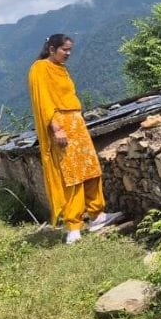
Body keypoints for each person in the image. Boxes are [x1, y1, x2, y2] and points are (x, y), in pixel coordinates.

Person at [28, 34, 121, 243]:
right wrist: (56, 128)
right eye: (64, 50)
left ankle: (97, 215)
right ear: (52, 49)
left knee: (90, 168)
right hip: (60, 124)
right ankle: (74, 226)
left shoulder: (61, 68)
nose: (68, 53)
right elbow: (44, 101)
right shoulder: (40, 68)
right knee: (72, 175)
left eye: (70, 50)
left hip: (76, 123)